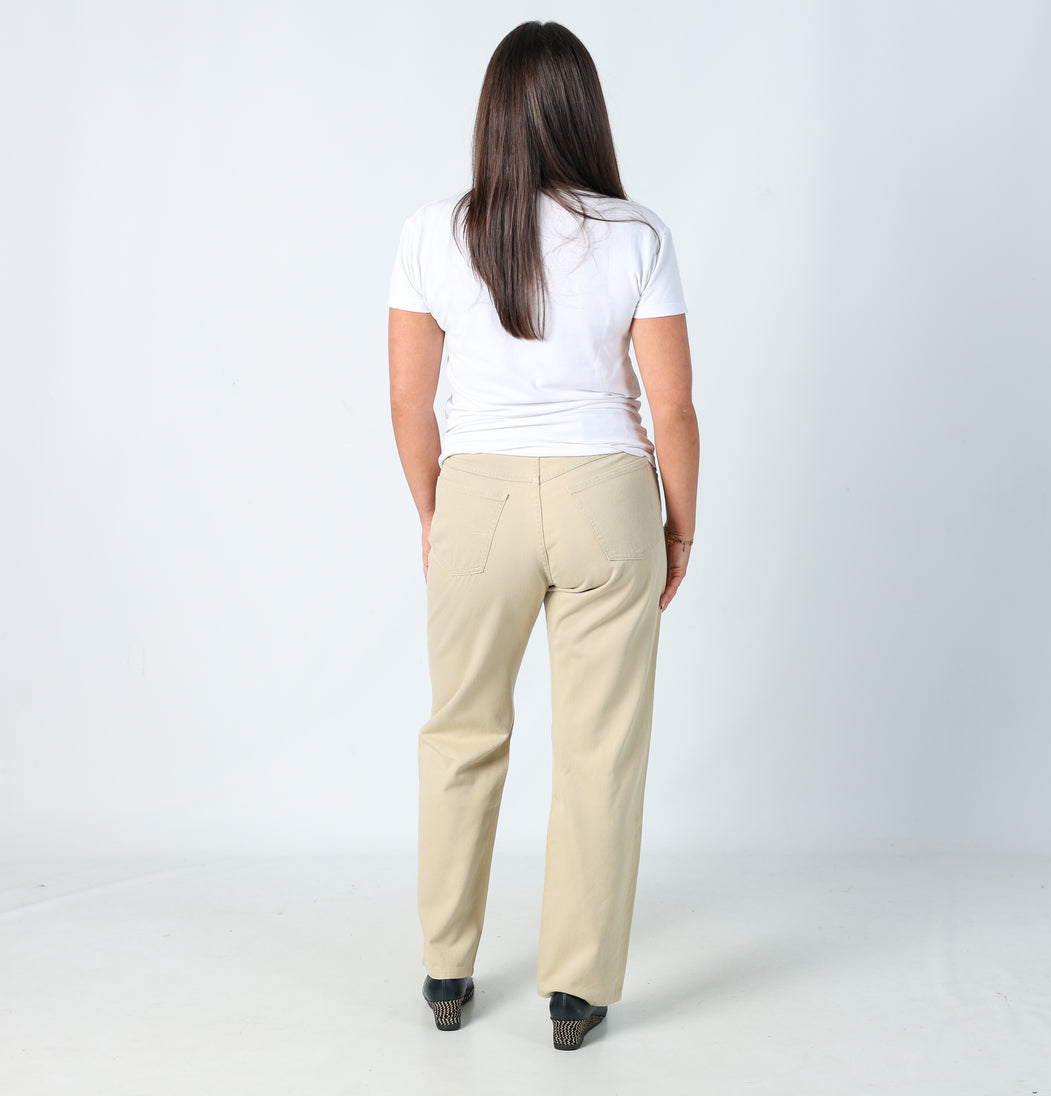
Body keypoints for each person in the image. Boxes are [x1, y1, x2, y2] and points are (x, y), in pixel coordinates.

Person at [387, 20, 699, 1051]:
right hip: (606, 495)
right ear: (583, 112)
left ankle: (445, 969)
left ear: (492, 115)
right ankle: (576, 994)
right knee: (599, 748)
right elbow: (672, 407)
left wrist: (432, 509)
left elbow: (409, 401)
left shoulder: (433, 232)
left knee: (460, 731)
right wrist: (680, 526)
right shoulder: (637, 233)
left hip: (476, 498)